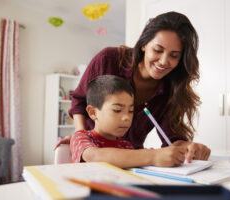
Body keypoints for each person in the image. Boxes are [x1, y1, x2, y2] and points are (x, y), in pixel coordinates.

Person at [55, 11, 211, 162]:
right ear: (144, 44)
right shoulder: (108, 59)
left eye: (174, 55)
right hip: (96, 154)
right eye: (158, 50)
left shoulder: (171, 89)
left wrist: (187, 147)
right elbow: (80, 101)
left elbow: (171, 138)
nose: (164, 61)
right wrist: (81, 136)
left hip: (132, 161)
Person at [70, 75, 186, 168]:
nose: (127, 117)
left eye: (131, 111)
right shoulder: (81, 138)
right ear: (93, 112)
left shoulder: (126, 146)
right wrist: (153, 156)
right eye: (117, 110)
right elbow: (96, 157)